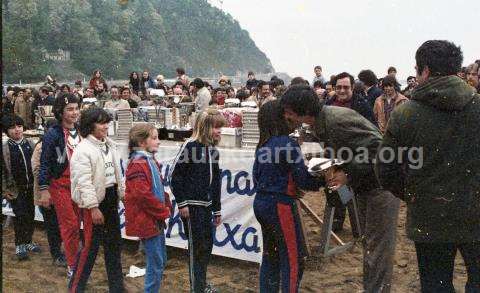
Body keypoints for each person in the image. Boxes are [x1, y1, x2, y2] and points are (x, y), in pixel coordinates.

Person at [376, 40, 480, 293]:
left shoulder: (406, 114)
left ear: (424, 71)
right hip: (476, 212)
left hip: (429, 216)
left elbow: (385, 169)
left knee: (436, 285)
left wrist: (412, 193)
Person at [280, 85, 400, 293]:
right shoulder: (319, 123)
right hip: (364, 184)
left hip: (381, 187)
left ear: (302, 110)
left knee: (378, 249)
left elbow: (385, 153)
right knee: (369, 244)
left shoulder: (337, 120)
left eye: (288, 111)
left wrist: (347, 173)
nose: (286, 115)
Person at [253, 100, 322, 293]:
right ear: (281, 117)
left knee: (271, 256)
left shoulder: (263, 144)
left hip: (262, 203)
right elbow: (303, 179)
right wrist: (322, 177)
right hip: (280, 204)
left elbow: (256, 175)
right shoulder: (287, 143)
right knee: (294, 260)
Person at [69, 107, 125, 293]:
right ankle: (75, 288)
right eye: (101, 122)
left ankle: (117, 287)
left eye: (107, 122)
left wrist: (122, 195)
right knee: (89, 250)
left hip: (110, 199)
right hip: (94, 203)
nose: (106, 126)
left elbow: (117, 174)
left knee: (114, 246)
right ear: (89, 125)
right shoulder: (83, 150)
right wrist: (93, 207)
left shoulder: (110, 145)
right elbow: (83, 182)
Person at [170, 109, 226, 293]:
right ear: (205, 127)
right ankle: (197, 288)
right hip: (192, 208)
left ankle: (200, 284)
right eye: (216, 127)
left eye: (220, 127)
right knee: (196, 249)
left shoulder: (213, 150)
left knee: (206, 248)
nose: (219, 131)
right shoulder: (190, 146)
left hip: (207, 208)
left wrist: (217, 210)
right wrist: (182, 203)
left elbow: (216, 181)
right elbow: (175, 176)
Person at [125, 123, 172, 293]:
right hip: (148, 220)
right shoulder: (139, 164)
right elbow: (142, 196)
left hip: (154, 220)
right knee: (156, 262)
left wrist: (165, 202)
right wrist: (163, 210)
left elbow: (156, 187)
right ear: (141, 142)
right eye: (154, 138)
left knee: (159, 260)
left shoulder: (148, 161)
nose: (158, 141)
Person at [38, 93, 81, 280]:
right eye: (69, 109)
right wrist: (44, 189)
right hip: (60, 185)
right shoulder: (52, 135)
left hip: (79, 184)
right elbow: (45, 163)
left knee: (78, 225)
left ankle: (77, 260)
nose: (74, 112)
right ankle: (72, 265)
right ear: (60, 112)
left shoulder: (82, 131)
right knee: (70, 226)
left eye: (76, 108)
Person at [1, 114, 41, 260]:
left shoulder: (30, 144)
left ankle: (28, 241)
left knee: (30, 215)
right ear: (6, 131)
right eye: (12, 128)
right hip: (15, 190)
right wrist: (5, 190)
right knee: (20, 216)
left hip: (31, 187)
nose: (17, 130)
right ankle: (20, 245)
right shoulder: (5, 148)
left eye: (19, 126)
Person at [31, 119, 66, 267]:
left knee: (59, 224)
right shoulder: (40, 147)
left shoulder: (61, 146)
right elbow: (37, 170)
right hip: (47, 193)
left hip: (60, 191)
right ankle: (56, 254)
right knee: (52, 226)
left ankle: (60, 252)